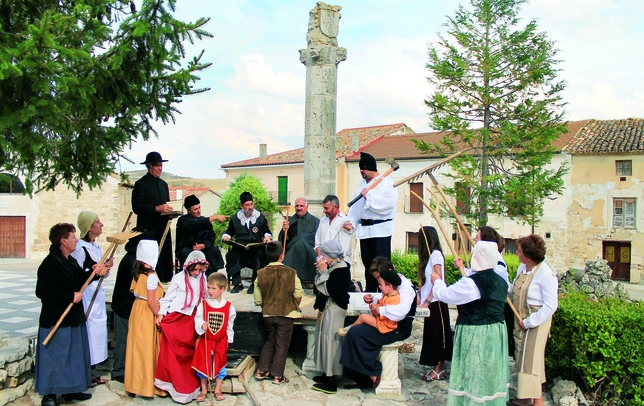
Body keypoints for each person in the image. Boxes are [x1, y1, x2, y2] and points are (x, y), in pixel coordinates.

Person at [431, 241, 509, 405]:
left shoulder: (471, 283)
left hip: (476, 332)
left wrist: (437, 281)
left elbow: (446, 295)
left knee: (474, 371)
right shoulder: (502, 281)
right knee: (490, 371)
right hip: (497, 332)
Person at [35, 223, 105, 406]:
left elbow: (80, 278)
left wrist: (94, 273)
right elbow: (42, 291)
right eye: (73, 237)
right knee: (55, 357)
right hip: (56, 319)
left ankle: (70, 389)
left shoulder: (70, 261)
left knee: (72, 356)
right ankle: (49, 394)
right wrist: (69, 296)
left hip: (73, 318)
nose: (76, 240)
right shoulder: (50, 263)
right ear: (63, 241)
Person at [339, 257, 416, 389]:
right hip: (387, 322)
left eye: (379, 278)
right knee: (356, 332)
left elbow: (401, 311)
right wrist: (372, 298)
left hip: (398, 327)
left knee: (356, 333)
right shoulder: (391, 284)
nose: (378, 282)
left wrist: (380, 309)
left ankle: (372, 371)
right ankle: (362, 376)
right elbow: (384, 297)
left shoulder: (406, 287)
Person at [508, 235, 558, 406]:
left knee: (531, 361)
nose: (517, 253)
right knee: (523, 358)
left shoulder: (546, 275)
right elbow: (514, 289)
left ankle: (536, 402)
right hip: (521, 318)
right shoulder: (522, 268)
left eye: (520, 251)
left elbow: (551, 306)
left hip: (536, 322)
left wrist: (530, 321)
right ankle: (527, 398)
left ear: (528, 254)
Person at [154, 251, 208, 403]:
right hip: (178, 318)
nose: (197, 272)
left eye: (200, 269)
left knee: (191, 353)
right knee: (176, 353)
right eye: (194, 269)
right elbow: (168, 298)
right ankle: (175, 387)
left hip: (194, 319)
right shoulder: (178, 278)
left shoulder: (203, 278)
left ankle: (191, 387)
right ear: (188, 266)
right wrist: (161, 314)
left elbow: (206, 298)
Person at [454, 226, 514, 355]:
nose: (474, 239)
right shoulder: (487, 257)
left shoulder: (497, 263)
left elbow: (486, 281)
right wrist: (464, 268)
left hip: (489, 316)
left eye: (477, 237)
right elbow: (478, 275)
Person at [70, 211, 112, 387]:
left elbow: (101, 273)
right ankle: (84, 373)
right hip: (86, 296)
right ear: (88, 227)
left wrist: (106, 269)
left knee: (96, 332)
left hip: (97, 295)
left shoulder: (96, 247)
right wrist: (95, 272)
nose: (101, 224)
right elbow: (78, 275)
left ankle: (91, 371)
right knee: (88, 333)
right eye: (97, 222)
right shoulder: (80, 249)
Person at [344, 152, 397, 292]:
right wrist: (351, 222)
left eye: (364, 168)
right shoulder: (361, 185)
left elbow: (388, 205)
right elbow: (356, 210)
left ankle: (385, 291)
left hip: (380, 230)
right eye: (360, 168)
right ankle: (371, 291)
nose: (361, 171)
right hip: (365, 231)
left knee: (382, 265)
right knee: (368, 265)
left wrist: (369, 197)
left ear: (372, 168)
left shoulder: (386, 183)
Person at [253, 241, 303, 385]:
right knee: (282, 345)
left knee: (269, 341)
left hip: (268, 313)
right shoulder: (291, 272)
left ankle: (262, 370)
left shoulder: (260, 273)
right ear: (282, 255)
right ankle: (277, 375)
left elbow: (257, 298)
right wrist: (294, 305)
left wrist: (265, 306)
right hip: (286, 314)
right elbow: (298, 293)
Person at [124, 240, 166, 398]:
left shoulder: (137, 272)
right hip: (148, 313)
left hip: (137, 310)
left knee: (137, 348)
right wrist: (159, 315)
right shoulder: (151, 276)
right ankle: (149, 386)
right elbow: (151, 301)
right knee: (148, 349)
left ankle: (133, 384)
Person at [310, 240, 351, 394]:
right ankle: (325, 372)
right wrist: (322, 270)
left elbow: (329, 289)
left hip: (334, 309)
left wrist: (322, 271)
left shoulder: (341, 269)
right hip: (327, 308)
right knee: (322, 339)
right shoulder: (333, 266)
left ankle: (331, 380)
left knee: (331, 343)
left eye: (324, 255)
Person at [110, 227, 148, 383]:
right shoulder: (132, 261)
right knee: (123, 340)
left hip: (126, 305)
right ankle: (118, 370)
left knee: (128, 339)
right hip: (123, 306)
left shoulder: (134, 259)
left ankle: (128, 367)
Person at [192, 272, 237, 402]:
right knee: (203, 364)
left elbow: (229, 325)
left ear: (222, 289)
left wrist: (228, 341)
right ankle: (204, 390)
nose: (210, 291)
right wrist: (202, 325)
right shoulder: (203, 304)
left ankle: (217, 389)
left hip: (220, 341)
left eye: (213, 288)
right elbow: (198, 318)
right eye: (208, 287)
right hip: (206, 340)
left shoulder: (229, 307)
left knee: (220, 364)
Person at [132, 151, 175, 282]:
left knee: (164, 256)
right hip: (148, 226)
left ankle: (165, 279)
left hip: (163, 225)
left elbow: (165, 204)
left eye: (161, 165)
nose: (160, 168)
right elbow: (137, 207)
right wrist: (157, 208)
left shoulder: (163, 184)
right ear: (149, 166)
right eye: (157, 165)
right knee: (149, 255)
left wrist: (169, 212)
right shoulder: (141, 184)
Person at [417, 226, 453, 382]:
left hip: (436, 302)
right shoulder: (430, 256)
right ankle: (438, 367)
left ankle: (439, 369)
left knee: (437, 335)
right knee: (432, 335)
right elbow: (427, 281)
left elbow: (438, 277)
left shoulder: (436, 255)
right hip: (431, 301)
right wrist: (419, 294)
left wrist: (428, 300)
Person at [222, 191, 272, 294]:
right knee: (233, 255)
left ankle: (254, 284)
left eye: (251, 204)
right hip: (240, 247)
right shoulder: (236, 218)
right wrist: (226, 237)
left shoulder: (260, 217)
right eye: (247, 205)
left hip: (255, 246)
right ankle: (237, 284)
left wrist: (267, 237)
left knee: (260, 255)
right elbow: (229, 231)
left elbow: (266, 231)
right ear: (242, 206)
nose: (250, 207)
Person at [175, 194, 227, 274]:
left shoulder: (204, 220)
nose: (199, 211)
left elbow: (212, 237)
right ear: (189, 210)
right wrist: (213, 218)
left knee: (213, 250)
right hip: (188, 248)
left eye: (199, 208)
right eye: (195, 209)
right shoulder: (183, 220)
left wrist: (204, 245)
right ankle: (188, 277)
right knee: (187, 252)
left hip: (203, 248)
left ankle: (209, 277)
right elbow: (195, 225)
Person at [339, 269, 401, 335]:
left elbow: (386, 314)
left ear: (390, 287)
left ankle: (349, 329)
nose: (379, 287)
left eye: (381, 285)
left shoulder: (394, 299)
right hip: (381, 321)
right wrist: (375, 306)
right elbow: (380, 306)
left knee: (363, 317)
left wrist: (376, 308)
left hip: (385, 325)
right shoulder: (388, 295)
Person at [278, 197, 320, 281]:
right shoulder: (290, 221)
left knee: (301, 240)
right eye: (297, 206)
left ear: (307, 207)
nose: (299, 208)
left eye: (301, 206)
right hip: (292, 251)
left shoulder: (316, 221)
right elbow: (283, 241)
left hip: (309, 251)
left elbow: (318, 239)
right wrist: (284, 231)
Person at [314, 194, 354, 273]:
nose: (324, 211)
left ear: (335, 207)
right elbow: (317, 243)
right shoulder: (322, 221)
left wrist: (328, 260)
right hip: (324, 264)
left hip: (340, 264)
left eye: (326, 208)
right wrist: (320, 258)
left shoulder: (345, 221)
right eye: (324, 208)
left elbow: (343, 250)